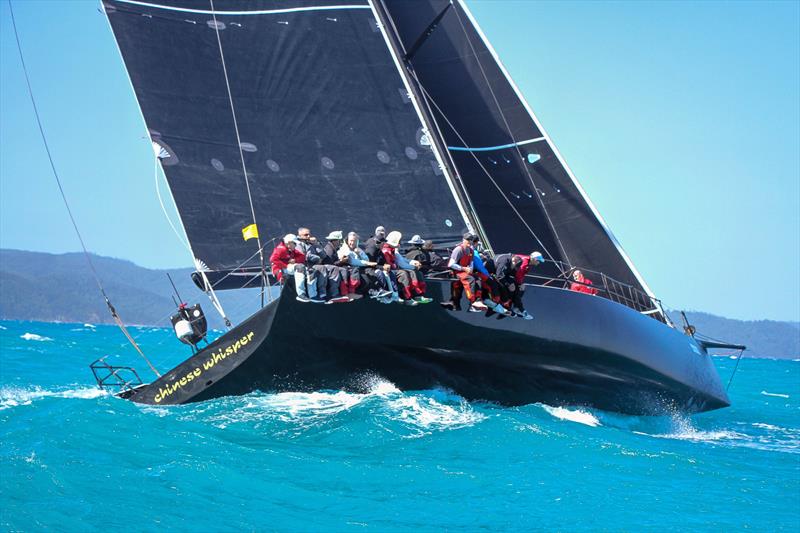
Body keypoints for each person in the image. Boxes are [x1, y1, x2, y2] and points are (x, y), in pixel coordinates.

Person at [381, 231, 432, 304]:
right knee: (404, 273)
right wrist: (413, 267)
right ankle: (406, 298)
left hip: (395, 269)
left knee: (416, 272)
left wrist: (413, 262)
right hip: (390, 271)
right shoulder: (386, 251)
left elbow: (402, 259)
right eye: (399, 241)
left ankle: (418, 295)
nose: (400, 242)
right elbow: (401, 264)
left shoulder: (393, 250)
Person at [443, 233, 487, 312]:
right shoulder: (458, 249)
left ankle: (478, 300)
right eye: (468, 240)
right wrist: (463, 268)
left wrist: (470, 269)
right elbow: (451, 264)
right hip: (457, 272)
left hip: (465, 271)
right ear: (463, 240)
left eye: (471, 240)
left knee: (478, 279)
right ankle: (472, 302)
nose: (469, 242)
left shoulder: (471, 251)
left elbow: (471, 263)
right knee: (471, 279)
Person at [337, 231, 387, 299]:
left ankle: (378, 290)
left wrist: (359, 253)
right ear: (347, 240)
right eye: (351, 241)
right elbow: (352, 261)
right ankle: (370, 291)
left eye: (354, 241)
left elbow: (366, 259)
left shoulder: (358, 249)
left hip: (358, 269)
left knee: (371, 271)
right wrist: (366, 263)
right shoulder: (344, 249)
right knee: (365, 276)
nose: (352, 243)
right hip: (350, 270)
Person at [269, 234, 318, 302]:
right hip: (281, 269)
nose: (295, 245)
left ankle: (313, 295)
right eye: (294, 243)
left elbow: (302, 256)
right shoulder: (281, 249)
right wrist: (286, 265)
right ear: (289, 242)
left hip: (289, 268)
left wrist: (295, 260)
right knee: (300, 267)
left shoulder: (291, 250)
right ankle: (301, 294)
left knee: (311, 271)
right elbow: (273, 260)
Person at [319, 230, 350, 303]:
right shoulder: (329, 249)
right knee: (341, 270)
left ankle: (343, 292)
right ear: (334, 241)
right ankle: (334, 295)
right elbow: (330, 264)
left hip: (331, 268)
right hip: (329, 270)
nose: (340, 242)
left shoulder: (332, 248)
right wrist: (341, 261)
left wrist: (341, 261)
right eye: (339, 240)